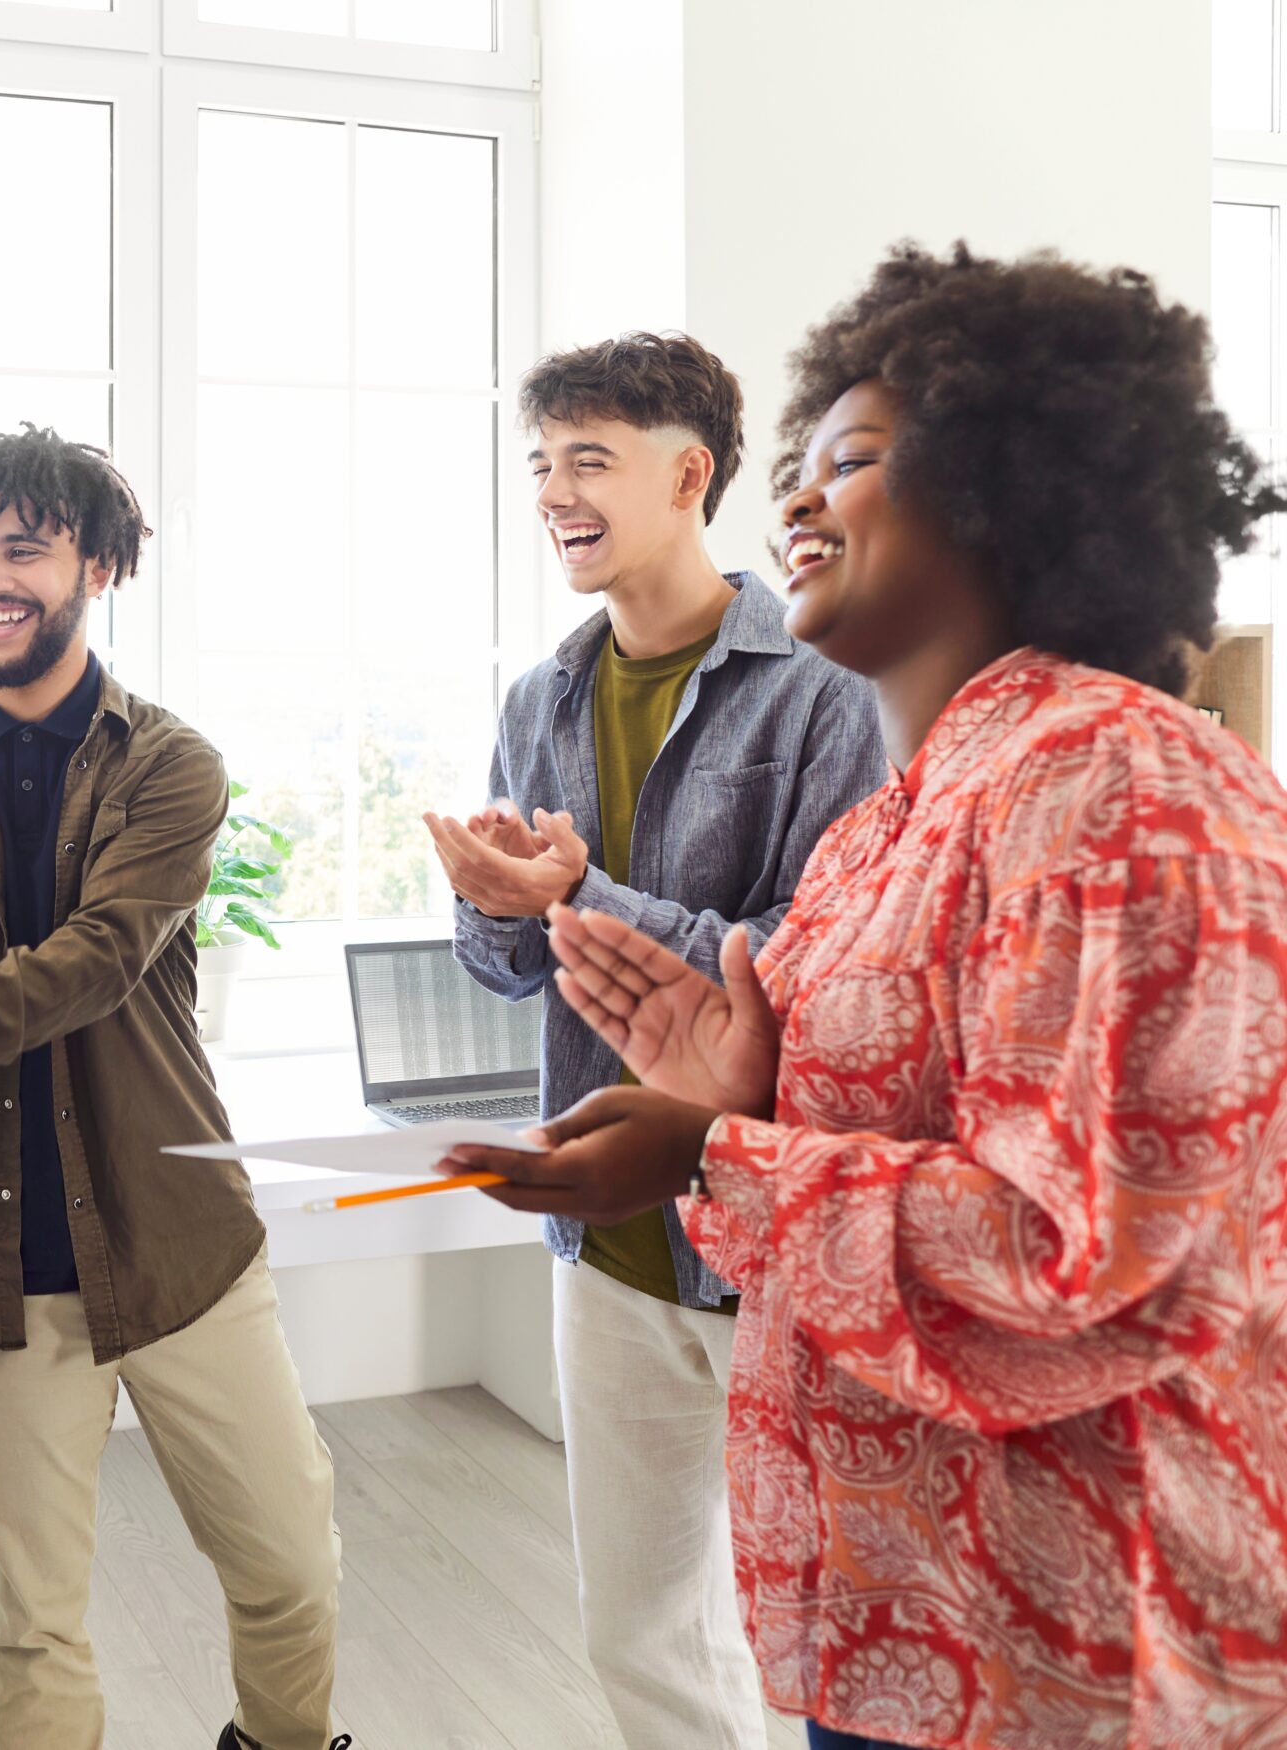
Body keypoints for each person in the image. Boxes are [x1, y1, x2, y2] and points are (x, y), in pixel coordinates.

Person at [456, 244, 1287, 1750]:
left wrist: (713, 1153)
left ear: (1004, 493)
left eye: (851, 461)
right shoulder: (917, 801)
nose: (798, 501)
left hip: (1062, 1646)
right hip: (902, 1611)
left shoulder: (1125, 788)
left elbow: (1086, 1251)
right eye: (802, 460)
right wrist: (737, 1080)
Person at [0, 426, 347, 1750]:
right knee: (29, 1619)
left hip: (178, 1243)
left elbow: (97, 961)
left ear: (96, 564)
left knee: (289, 1565)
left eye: (21, 546)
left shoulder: (170, 764)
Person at [423, 332, 882, 1749]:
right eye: (540, 462)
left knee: (812, 1635)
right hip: (608, 1251)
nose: (556, 489)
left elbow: (815, 966)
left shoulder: (821, 688)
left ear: (690, 474)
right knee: (634, 1628)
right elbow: (507, 974)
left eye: (590, 459)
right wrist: (493, 900)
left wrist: (583, 895)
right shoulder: (537, 700)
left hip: (762, 1241)